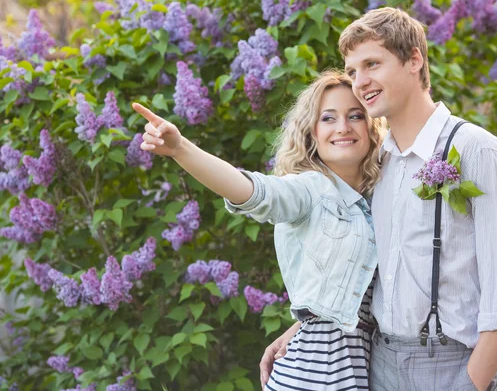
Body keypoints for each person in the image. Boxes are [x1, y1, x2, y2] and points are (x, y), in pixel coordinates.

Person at [261, 7, 497, 391]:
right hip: (378, 368)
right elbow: (364, 271)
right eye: (353, 70)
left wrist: (468, 384)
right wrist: (302, 327)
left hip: (453, 366)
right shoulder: (377, 165)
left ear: (414, 60)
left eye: (372, 64)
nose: (360, 82)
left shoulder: (477, 152)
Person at [133, 70, 387, 390]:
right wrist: (181, 148)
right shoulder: (309, 191)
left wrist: (295, 327)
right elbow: (249, 190)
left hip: (356, 375)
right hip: (311, 378)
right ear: (312, 132)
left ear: (371, 126)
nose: (343, 127)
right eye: (328, 118)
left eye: (355, 115)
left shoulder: (377, 200)